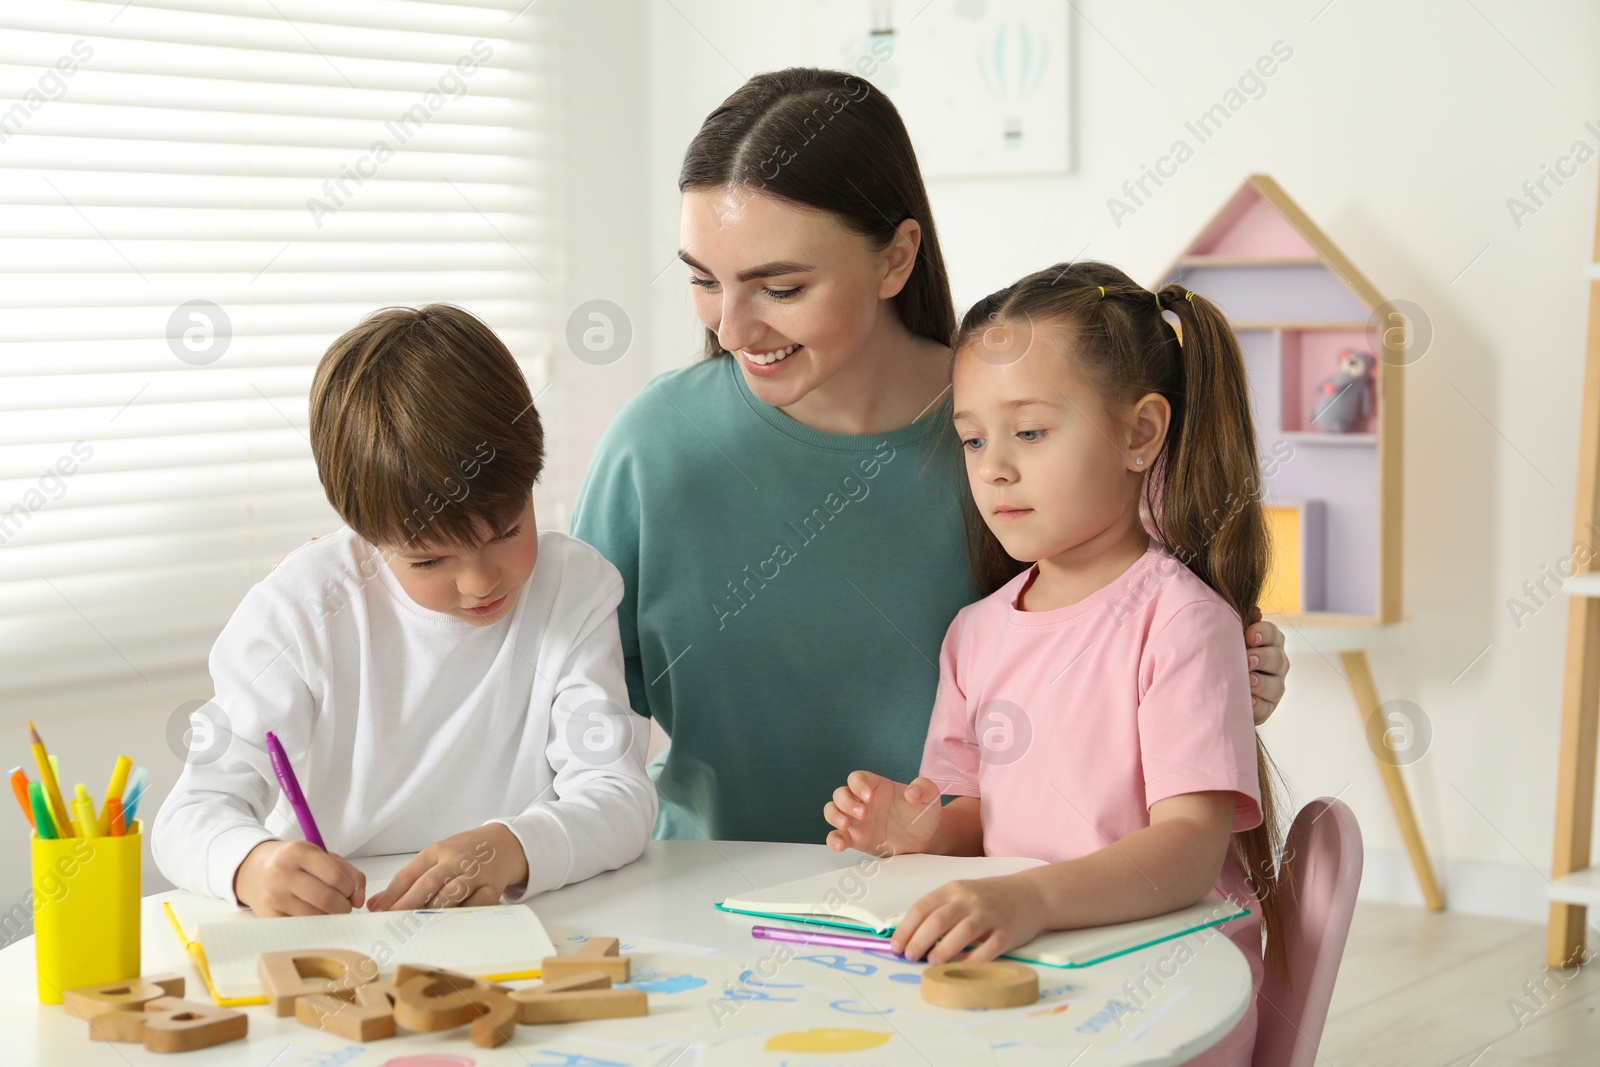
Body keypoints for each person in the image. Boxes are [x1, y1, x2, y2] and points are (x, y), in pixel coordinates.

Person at [571, 68, 1291, 846]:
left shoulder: (1015, 441)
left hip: (961, 908)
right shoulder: (652, 447)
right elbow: (562, 691)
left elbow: (1142, 629)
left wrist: (1231, 667)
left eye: (779, 287)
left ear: (895, 257)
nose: (735, 328)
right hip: (698, 901)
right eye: (704, 280)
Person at [823, 262, 1284, 1066]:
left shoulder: (1182, 621)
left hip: (1169, 980)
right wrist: (920, 827)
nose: (993, 465)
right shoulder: (974, 632)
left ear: (1140, 433)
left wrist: (1031, 897)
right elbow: (981, 820)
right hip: (1040, 963)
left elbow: (1188, 850)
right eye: (973, 438)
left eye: (1029, 431)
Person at [152, 305, 656, 917]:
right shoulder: (301, 609)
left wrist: (517, 845)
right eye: (428, 561)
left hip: (514, 923)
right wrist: (250, 864)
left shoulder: (573, 589)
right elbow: (188, 816)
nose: (478, 581)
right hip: (340, 930)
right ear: (365, 534)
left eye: (505, 531)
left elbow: (621, 796)